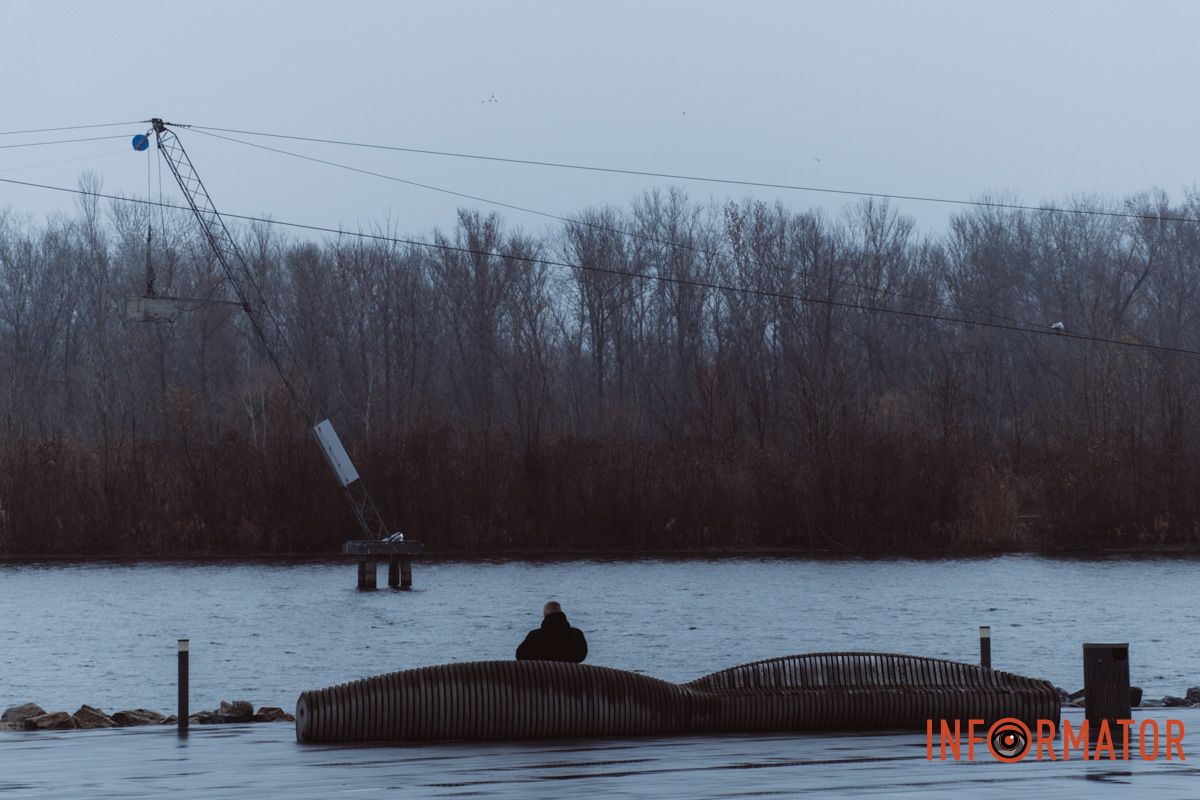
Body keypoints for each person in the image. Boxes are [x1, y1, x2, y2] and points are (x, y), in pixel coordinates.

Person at [515, 601, 588, 663]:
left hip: (542, 676)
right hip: (569, 676)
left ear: (545, 615)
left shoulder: (534, 636)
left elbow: (520, 656)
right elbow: (581, 655)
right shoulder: (576, 634)